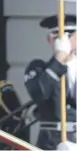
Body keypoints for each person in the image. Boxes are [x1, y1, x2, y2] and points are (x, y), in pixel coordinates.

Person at [24, 15, 76, 150]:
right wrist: (59, 59)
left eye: (69, 35)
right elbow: (40, 93)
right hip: (51, 142)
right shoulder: (38, 68)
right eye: (57, 36)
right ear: (49, 40)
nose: (64, 40)